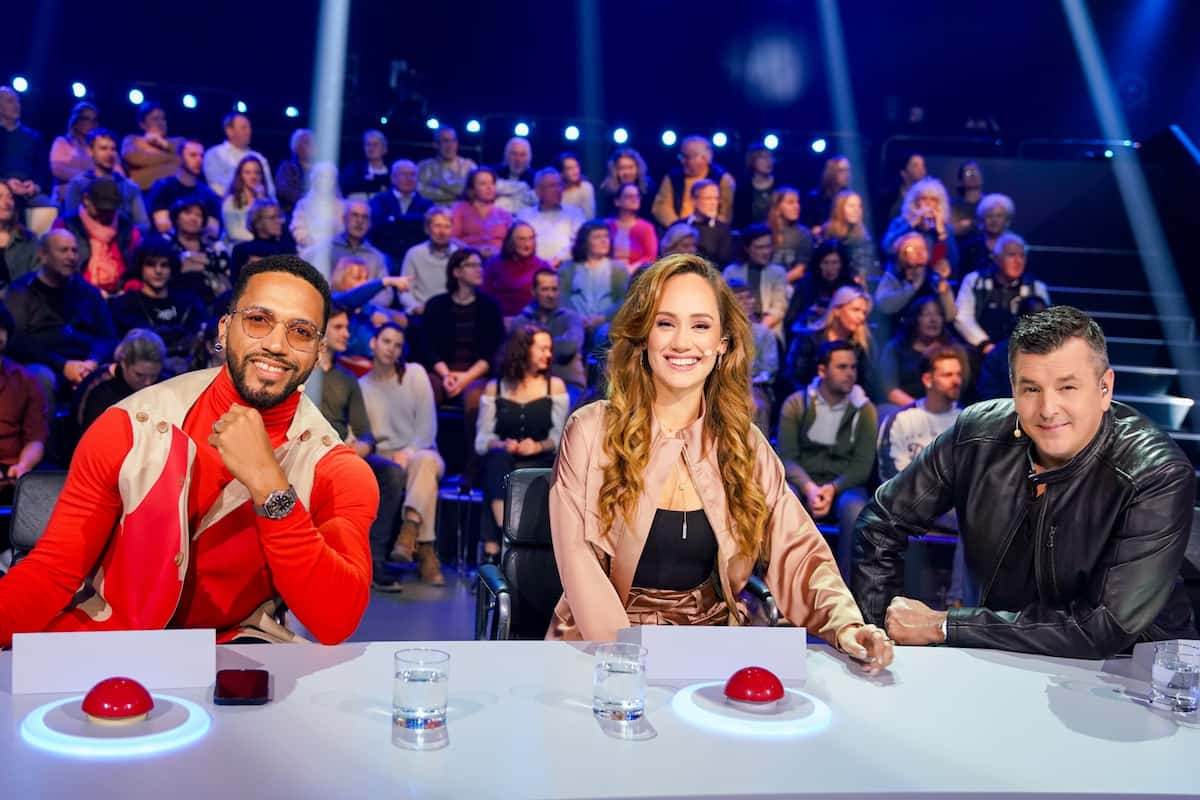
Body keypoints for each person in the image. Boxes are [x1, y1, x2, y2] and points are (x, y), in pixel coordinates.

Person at [0, 254, 378, 647]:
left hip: (235, 658)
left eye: (300, 331)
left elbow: (336, 620)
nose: (276, 344)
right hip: (113, 644)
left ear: (318, 351)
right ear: (226, 327)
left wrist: (270, 484)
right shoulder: (131, 425)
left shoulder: (337, 470)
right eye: (258, 320)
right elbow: (54, 571)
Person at [545, 254, 892, 671]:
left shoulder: (744, 443)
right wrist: (627, 664)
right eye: (665, 322)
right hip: (602, 651)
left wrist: (846, 625)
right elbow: (580, 565)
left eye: (700, 325)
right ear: (642, 336)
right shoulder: (589, 431)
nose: (682, 342)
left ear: (722, 344)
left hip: (709, 648)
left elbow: (797, 550)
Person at [854, 306, 1197, 657]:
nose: (1048, 408)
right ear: (1014, 389)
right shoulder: (976, 434)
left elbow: (1102, 626)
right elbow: (880, 523)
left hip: (1134, 671)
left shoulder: (1155, 472)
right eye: (1031, 388)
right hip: (999, 655)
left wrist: (945, 625)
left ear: (1105, 388)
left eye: (1067, 387)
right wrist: (881, 636)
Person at [778, 340, 878, 575]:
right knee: (784, 499)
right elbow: (787, 457)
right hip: (803, 481)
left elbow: (862, 466)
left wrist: (833, 488)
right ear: (822, 370)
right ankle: (783, 584)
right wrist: (810, 488)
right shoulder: (797, 404)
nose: (850, 374)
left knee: (855, 509)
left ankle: (846, 592)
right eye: (842, 367)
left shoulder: (864, 409)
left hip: (844, 485)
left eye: (853, 367)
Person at [359, 322, 446, 586]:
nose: (391, 349)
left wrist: (408, 452)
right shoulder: (362, 386)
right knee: (409, 475)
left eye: (397, 345)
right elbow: (365, 433)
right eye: (386, 342)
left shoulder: (415, 374)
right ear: (373, 343)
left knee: (424, 463)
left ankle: (408, 533)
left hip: (423, 449)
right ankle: (426, 552)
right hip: (386, 458)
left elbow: (427, 426)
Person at [476, 324, 569, 564]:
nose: (548, 355)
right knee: (496, 464)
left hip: (540, 457)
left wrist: (537, 446)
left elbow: (560, 437)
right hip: (504, 458)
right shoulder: (496, 387)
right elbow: (481, 441)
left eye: (550, 349)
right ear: (523, 350)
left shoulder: (554, 386)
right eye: (542, 349)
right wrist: (501, 444)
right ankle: (505, 536)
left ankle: (493, 550)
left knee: (531, 471)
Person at [420, 248, 505, 466]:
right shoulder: (436, 305)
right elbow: (427, 346)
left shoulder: (490, 307)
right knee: (426, 388)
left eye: (480, 265)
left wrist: (466, 377)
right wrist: (446, 374)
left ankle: (473, 466)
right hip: (443, 372)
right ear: (456, 272)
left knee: (475, 397)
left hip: (476, 373)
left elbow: (493, 350)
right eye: (472, 265)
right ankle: (426, 453)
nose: (479, 270)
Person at [108, 240, 206, 375]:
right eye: (151, 265)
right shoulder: (126, 303)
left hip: (189, 369)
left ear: (171, 268)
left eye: (164, 265)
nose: (158, 271)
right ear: (140, 267)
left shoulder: (188, 301)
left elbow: (201, 334)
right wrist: (179, 334)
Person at [877, 344, 968, 482]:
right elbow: (891, 478)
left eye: (958, 374)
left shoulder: (968, 420)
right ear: (927, 380)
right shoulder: (900, 420)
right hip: (910, 501)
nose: (956, 381)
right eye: (947, 375)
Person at [955, 233, 1051, 354]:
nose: (1018, 261)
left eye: (1022, 256)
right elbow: (963, 317)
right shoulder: (974, 281)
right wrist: (985, 344)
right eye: (1011, 255)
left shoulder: (1036, 287)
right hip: (979, 350)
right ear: (996, 258)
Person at [54, 176, 142, 295]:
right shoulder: (66, 226)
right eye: (101, 209)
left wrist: (127, 289)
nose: (106, 214)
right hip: (80, 294)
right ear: (86, 200)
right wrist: (92, 293)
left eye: (110, 210)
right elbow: (59, 270)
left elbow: (135, 270)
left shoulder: (127, 228)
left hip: (120, 295)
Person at [511, 268, 586, 404]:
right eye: (545, 289)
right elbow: (517, 353)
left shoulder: (571, 318)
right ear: (533, 292)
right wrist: (558, 342)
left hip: (568, 383)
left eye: (554, 289)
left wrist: (533, 347)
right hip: (528, 382)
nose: (550, 294)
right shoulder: (521, 321)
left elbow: (569, 348)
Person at [784, 285, 874, 396]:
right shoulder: (808, 339)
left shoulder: (861, 346)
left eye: (864, 313)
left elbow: (866, 384)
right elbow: (793, 378)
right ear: (837, 311)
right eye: (855, 310)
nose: (861, 317)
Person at [74, 328, 166, 435]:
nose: (148, 383)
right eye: (139, 375)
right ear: (123, 362)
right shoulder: (97, 389)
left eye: (154, 376)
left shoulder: (165, 383)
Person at [302, 200, 392, 307]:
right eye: (355, 215)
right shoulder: (325, 250)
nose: (360, 221)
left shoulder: (377, 257)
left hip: (367, 312)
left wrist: (361, 303)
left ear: (370, 224)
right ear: (343, 219)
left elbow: (386, 296)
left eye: (365, 217)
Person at [878, 295, 961, 409]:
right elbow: (891, 391)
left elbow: (958, 386)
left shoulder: (953, 350)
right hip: (906, 408)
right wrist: (921, 409)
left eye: (938, 314)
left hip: (945, 408)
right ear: (915, 319)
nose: (933, 320)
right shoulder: (894, 348)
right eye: (926, 314)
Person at [558, 220, 628, 350]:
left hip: (606, 323)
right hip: (575, 322)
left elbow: (624, 301)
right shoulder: (567, 269)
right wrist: (577, 318)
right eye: (597, 237)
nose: (604, 241)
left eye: (606, 236)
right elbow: (562, 298)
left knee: (606, 335)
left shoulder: (618, 269)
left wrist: (603, 318)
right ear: (585, 242)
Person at [0, 303, 48, 491]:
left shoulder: (25, 379)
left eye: (1, 329)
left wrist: (23, 466)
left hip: (14, 469)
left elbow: (35, 438)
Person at [62, 128, 148, 230]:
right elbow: (71, 222)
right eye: (103, 148)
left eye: (113, 149)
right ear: (90, 151)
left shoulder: (129, 186)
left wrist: (125, 235)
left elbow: (143, 224)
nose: (110, 154)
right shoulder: (78, 184)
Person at [873, 231, 956, 330]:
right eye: (912, 249)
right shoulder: (891, 277)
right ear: (900, 255)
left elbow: (950, 315)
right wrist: (914, 286)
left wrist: (942, 283)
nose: (920, 253)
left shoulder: (934, 278)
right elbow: (884, 306)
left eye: (923, 248)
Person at [726, 276, 778, 433]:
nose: (746, 302)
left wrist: (747, 376)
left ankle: (758, 453)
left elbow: (769, 369)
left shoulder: (764, 333)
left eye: (748, 297)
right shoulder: (718, 333)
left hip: (756, 386)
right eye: (739, 298)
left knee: (757, 405)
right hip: (725, 384)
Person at [0, 86, 54, 233]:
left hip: (27, 189)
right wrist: (5, 183)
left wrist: (35, 185)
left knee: (49, 207)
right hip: (2, 187)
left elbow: (44, 169)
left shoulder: (33, 137)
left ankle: (39, 252)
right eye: (10, 101)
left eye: (18, 102)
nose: (16, 105)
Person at [721, 223, 788, 339]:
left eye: (768, 246)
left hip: (769, 331)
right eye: (760, 247)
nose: (766, 252)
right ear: (747, 248)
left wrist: (759, 332)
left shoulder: (778, 272)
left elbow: (779, 308)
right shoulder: (731, 272)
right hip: (738, 330)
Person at [882, 177, 959, 276]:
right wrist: (911, 224)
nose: (928, 203)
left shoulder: (946, 229)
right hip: (901, 280)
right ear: (915, 202)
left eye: (933, 200)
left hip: (931, 283)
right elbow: (887, 248)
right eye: (923, 198)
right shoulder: (900, 223)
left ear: (939, 204)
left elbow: (953, 263)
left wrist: (941, 233)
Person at [164, 196, 232, 308]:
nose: (193, 218)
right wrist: (208, 262)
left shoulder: (213, 243)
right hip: (176, 299)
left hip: (214, 299)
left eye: (199, 215)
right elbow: (170, 265)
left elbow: (225, 262)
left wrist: (189, 258)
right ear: (176, 217)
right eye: (188, 213)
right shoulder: (165, 241)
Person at [652, 135, 735, 228]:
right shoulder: (672, 178)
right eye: (681, 156)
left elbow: (726, 213)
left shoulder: (723, 179)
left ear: (704, 158)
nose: (682, 161)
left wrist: (711, 229)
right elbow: (661, 207)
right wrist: (680, 228)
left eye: (687, 157)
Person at [145, 139, 221, 236]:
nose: (199, 160)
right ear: (179, 159)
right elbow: (162, 226)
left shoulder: (208, 193)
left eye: (201, 156)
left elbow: (213, 230)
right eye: (193, 155)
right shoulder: (163, 187)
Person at [784, 238, 859, 335]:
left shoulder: (849, 285)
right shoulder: (806, 283)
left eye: (834, 263)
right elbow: (791, 320)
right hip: (809, 334)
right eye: (825, 263)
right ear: (818, 263)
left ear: (842, 264)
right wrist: (809, 313)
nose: (829, 268)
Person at [368, 159, 432, 267]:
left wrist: (395, 219)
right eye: (404, 174)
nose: (409, 179)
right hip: (385, 253)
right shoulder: (379, 200)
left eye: (412, 175)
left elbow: (426, 229)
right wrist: (414, 222)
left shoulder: (427, 204)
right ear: (393, 178)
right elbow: (378, 227)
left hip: (416, 255)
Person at [517, 167, 584, 267]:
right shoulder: (524, 216)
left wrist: (559, 259)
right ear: (538, 191)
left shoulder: (575, 213)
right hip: (531, 268)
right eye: (552, 186)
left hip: (566, 268)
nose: (558, 190)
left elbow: (580, 242)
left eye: (559, 185)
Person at [482, 221, 550, 318]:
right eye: (521, 239)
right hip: (499, 319)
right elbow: (484, 296)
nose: (527, 245)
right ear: (510, 241)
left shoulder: (542, 266)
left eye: (531, 239)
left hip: (533, 320)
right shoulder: (493, 264)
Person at [398, 206, 457, 316]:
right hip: (421, 313)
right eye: (437, 226)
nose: (442, 232)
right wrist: (415, 307)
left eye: (447, 227)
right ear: (427, 228)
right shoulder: (414, 254)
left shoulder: (458, 255)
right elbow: (404, 291)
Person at [203, 112, 275, 199]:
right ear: (229, 131)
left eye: (249, 127)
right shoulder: (214, 154)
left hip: (258, 207)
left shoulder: (259, 158)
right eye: (244, 128)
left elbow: (270, 190)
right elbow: (215, 186)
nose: (249, 131)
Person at [450, 167, 511, 259]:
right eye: (483, 184)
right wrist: (474, 250)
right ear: (472, 189)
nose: (489, 188)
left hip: (499, 259)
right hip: (468, 258)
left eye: (492, 183)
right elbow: (452, 238)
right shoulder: (460, 209)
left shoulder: (503, 214)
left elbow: (512, 241)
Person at [120, 102, 183, 192]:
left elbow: (186, 158)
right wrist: (173, 158)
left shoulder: (178, 141)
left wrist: (163, 144)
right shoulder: (133, 140)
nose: (160, 123)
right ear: (142, 124)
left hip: (177, 191)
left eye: (163, 119)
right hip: (145, 191)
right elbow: (135, 159)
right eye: (155, 119)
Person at [49, 102, 102, 203]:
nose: (91, 123)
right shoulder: (63, 142)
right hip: (66, 196)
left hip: (96, 196)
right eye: (86, 119)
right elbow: (57, 169)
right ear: (76, 121)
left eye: (94, 120)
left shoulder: (100, 147)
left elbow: (116, 170)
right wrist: (90, 177)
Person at [821, 190, 877, 278]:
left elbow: (861, 270)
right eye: (851, 206)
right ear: (840, 208)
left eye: (859, 206)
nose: (856, 210)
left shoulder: (862, 235)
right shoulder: (826, 231)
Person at [416, 127, 477, 205]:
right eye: (445, 141)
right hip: (434, 213)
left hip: (464, 214)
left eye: (453, 141)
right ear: (435, 144)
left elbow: (473, 191)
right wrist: (456, 195)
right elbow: (420, 192)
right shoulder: (424, 167)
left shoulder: (469, 166)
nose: (450, 146)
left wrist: (439, 184)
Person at [290, 162, 344, 250]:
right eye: (321, 177)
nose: (325, 181)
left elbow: (343, 230)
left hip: (335, 249)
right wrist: (311, 243)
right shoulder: (303, 204)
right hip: (309, 249)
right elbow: (298, 228)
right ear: (314, 180)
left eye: (329, 177)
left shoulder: (342, 206)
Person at [958, 192, 1015, 275]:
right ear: (982, 220)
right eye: (989, 216)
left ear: (1006, 220)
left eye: (999, 216)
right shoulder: (971, 247)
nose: (994, 220)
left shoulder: (1015, 245)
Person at [606, 183, 657, 271]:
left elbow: (650, 256)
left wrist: (632, 269)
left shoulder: (646, 228)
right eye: (629, 196)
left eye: (637, 196)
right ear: (617, 201)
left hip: (636, 274)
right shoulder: (607, 225)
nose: (635, 199)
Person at [766, 186, 812, 282]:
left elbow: (800, 270)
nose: (797, 206)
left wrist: (777, 284)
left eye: (797, 202)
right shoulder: (764, 230)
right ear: (778, 207)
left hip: (788, 285)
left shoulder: (803, 234)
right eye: (790, 202)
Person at [221, 155, 270, 244]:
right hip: (239, 246)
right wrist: (259, 238)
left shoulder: (267, 201)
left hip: (264, 245)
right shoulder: (231, 202)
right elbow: (233, 233)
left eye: (257, 172)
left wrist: (261, 201)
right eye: (247, 172)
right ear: (240, 175)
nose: (253, 176)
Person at [0, 181, 38, 286]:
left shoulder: (28, 239)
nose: (7, 202)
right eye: (0, 197)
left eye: (10, 197)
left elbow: (38, 278)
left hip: (20, 299)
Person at [686, 179, 732, 266]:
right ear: (694, 201)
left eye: (716, 198)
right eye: (708, 198)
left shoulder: (724, 230)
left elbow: (724, 262)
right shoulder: (679, 226)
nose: (713, 203)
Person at [597, 147, 652, 219]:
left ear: (638, 168)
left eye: (630, 167)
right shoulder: (607, 189)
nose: (627, 173)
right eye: (622, 168)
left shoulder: (648, 186)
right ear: (615, 171)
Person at [733, 141, 777, 229]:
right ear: (752, 161)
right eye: (762, 157)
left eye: (770, 157)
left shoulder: (780, 186)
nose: (768, 161)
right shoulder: (743, 190)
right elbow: (740, 221)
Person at [803, 156, 851, 233]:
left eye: (847, 170)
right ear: (832, 172)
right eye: (841, 171)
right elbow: (809, 228)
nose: (846, 174)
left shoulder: (849, 197)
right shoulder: (815, 198)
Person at [340, 130, 391, 200]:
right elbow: (347, 186)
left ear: (384, 149)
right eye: (368, 144)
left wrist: (371, 181)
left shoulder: (393, 171)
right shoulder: (354, 169)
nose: (371, 148)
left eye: (375, 145)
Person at [274, 129, 313, 218]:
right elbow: (284, 190)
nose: (313, 145)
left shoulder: (319, 169)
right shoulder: (287, 167)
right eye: (307, 142)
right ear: (296, 147)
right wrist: (308, 200)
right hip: (293, 214)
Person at [493, 136, 535, 214]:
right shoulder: (494, 173)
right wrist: (522, 188)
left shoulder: (535, 178)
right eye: (514, 154)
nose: (518, 159)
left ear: (529, 158)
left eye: (522, 155)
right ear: (506, 155)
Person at [885, 152, 926, 222]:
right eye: (915, 166)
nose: (921, 169)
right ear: (903, 173)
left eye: (923, 165)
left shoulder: (930, 197)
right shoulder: (892, 201)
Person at [950, 160, 984, 237]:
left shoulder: (990, 204)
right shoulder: (953, 206)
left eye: (976, 172)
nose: (973, 175)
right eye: (968, 173)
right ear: (961, 181)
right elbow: (949, 230)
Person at [558, 152, 595, 219]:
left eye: (577, 166)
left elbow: (589, 217)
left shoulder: (585, 187)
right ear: (561, 173)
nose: (575, 171)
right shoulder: (556, 191)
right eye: (570, 168)